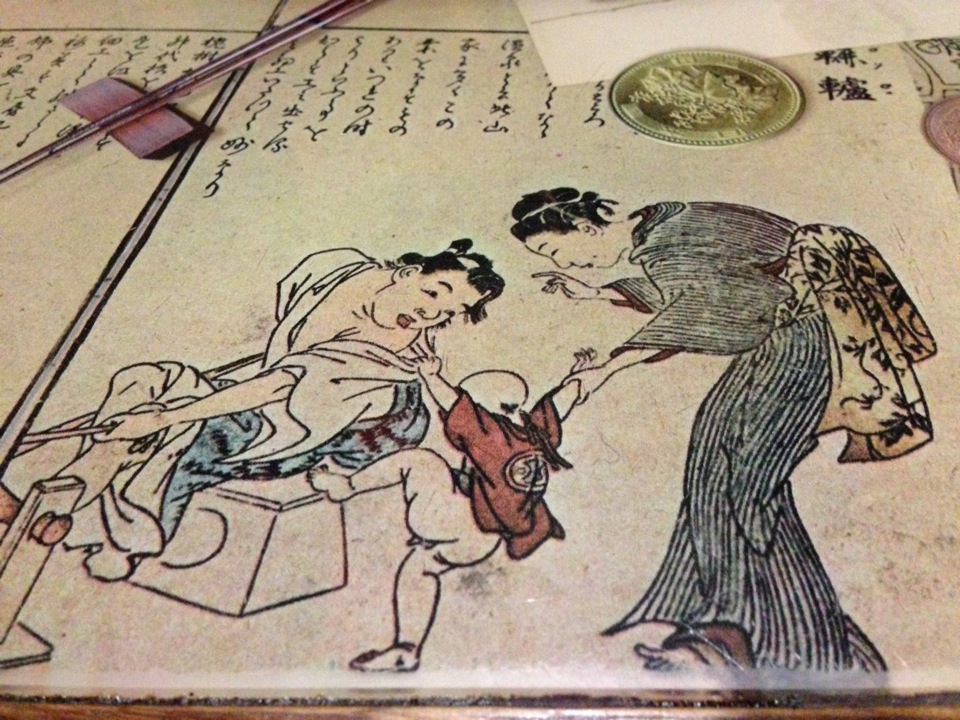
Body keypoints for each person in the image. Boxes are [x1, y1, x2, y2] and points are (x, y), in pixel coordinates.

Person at [508, 187, 936, 672]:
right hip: (783, 341)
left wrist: (607, 366)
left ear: (586, 228)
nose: (567, 264)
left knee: (742, 484)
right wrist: (600, 292)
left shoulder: (665, 242)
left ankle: (781, 637)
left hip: (797, 346)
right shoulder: (664, 223)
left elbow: (719, 305)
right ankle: (752, 624)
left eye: (556, 250)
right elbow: (699, 286)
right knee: (716, 466)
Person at [52, 240, 505, 580]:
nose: (429, 315)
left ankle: (117, 533)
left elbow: (279, 387)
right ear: (406, 273)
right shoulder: (339, 268)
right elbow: (282, 339)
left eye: (448, 313)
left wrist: (162, 418)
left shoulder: (388, 358)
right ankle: (73, 488)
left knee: (194, 433)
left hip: (324, 432)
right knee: (146, 379)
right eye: (434, 293)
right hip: (286, 398)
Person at [311, 339, 593, 672]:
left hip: (456, 521)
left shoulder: (493, 438)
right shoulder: (535, 435)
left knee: (421, 461)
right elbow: (563, 401)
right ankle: (406, 649)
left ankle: (346, 486)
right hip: (484, 540)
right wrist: (578, 377)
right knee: (421, 566)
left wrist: (431, 376)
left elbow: (454, 404)